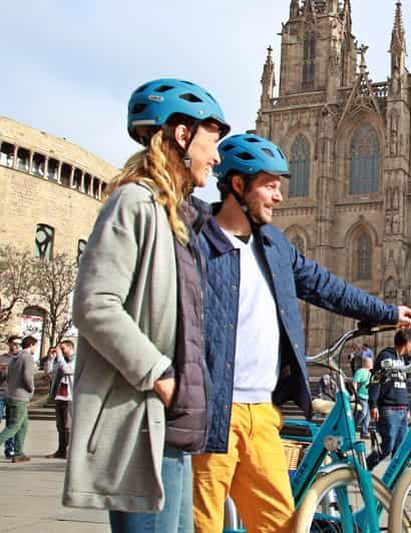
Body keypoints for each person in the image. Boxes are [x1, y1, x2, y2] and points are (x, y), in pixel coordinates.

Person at [192, 132, 411, 533]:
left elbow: (324, 285)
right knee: (202, 525)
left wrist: (386, 311)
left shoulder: (274, 245)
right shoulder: (196, 244)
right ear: (238, 186)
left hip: (262, 412)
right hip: (212, 414)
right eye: (271, 186)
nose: (279, 196)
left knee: (282, 525)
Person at [63, 78, 230, 533]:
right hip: (144, 420)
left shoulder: (179, 215)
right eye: (212, 142)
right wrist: (159, 375)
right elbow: (95, 304)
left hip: (174, 426)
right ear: (182, 136)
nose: (217, 158)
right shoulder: (135, 203)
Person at [366, 330, 411, 470]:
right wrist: (373, 404)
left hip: (401, 408)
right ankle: (365, 468)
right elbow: (376, 379)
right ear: (406, 343)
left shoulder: (402, 360)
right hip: (388, 408)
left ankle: (396, 482)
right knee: (388, 446)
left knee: (399, 450)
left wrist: (408, 408)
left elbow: (403, 384)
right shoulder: (385, 356)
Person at [0, 335, 36, 462]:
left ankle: (18, 453)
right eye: (34, 346)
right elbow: (27, 377)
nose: (34, 349)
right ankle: (18, 453)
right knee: (13, 426)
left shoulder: (14, 358)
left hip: (11, 394)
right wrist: (31, 389)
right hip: (20, 396)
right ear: (31, 345)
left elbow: (6, 375)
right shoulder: (27, 358)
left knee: (23, 425)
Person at [46, 340, 75, 459]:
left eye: (63, 349)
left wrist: (59, 356)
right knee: (60, 425)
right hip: (59, 396)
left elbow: (67, 370)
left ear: (70, 348)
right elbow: (48, 372)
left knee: (68, 425)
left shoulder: (75, 360)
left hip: (69, 397)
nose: (61, 351)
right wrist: (50, 359)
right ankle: (61, 450)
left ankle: (69, 450)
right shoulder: (60, 360)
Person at [0, 335, 21, 458]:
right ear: (9, 344)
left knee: (11, 423)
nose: (16, 346)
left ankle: (10, 449)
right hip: (1, 392)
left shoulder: (20, 359)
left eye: (19, 344)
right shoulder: (2, 358)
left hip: (14, 395)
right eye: (14, 343)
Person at [353, 356, 373, 438]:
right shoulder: (360, 371)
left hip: (368, 397)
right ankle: (352, 428)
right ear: (366, 363)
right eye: (371, 362)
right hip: (361, 396)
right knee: (363, 413)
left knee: (367, 416)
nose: (372, 364)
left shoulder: (371, 372)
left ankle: (364, 433)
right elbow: (355, 382)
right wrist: (354, 394)